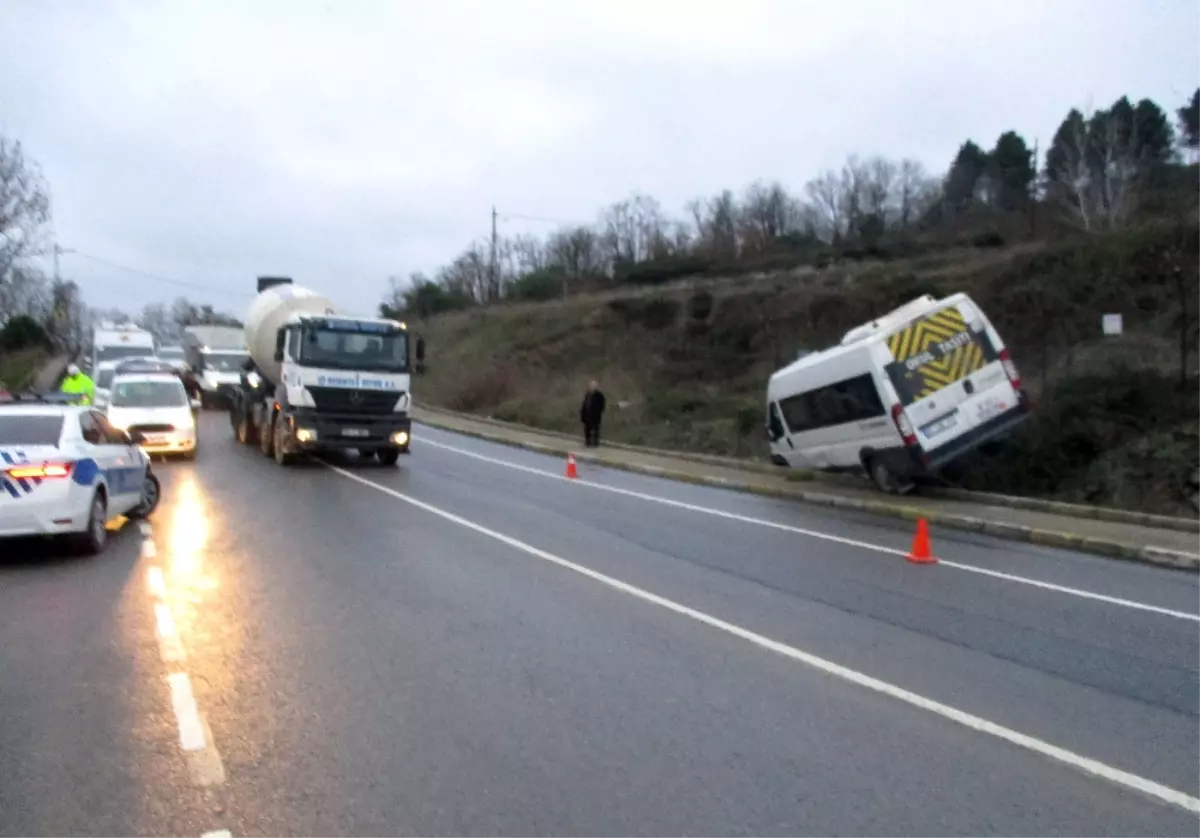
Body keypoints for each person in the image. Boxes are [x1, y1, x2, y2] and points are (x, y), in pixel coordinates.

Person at [579, 379, 606, 448]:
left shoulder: (599, 395)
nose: (592, 387)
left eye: (594, 386)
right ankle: (587, 442)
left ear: (596, 387)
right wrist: (582, 413)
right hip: (587, 415)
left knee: (595, 429)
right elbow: (584, 404)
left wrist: (598, 412)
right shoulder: (588, 394)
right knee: (587, 429)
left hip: (595, 415)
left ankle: (595, 443)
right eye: (591, 386)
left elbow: (602, 405)